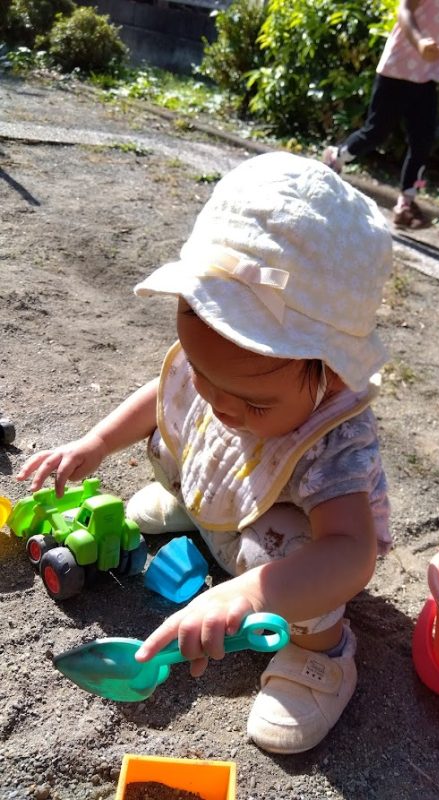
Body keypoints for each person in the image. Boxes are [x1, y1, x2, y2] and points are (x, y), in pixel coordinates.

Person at [17, 152, 393, 755]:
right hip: (227, 502)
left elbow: (351, 554)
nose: (219, 406)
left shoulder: (333, 435)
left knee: (294, 551)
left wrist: (246, 595)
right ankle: (200, 506)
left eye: (254, 404)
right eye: (203, 374)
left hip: (290, 554)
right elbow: (161, 396)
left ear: (332, 375)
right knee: (176, 433)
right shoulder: (225, 363)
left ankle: (320, 653)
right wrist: (97, 443)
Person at [322, 0, 439, 229]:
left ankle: (405, 204)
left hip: (426, 76)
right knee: (376, 132)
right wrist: (419, 42)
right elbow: (404, 9)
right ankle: (336, 157)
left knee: (422, 141)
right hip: (396, 70)